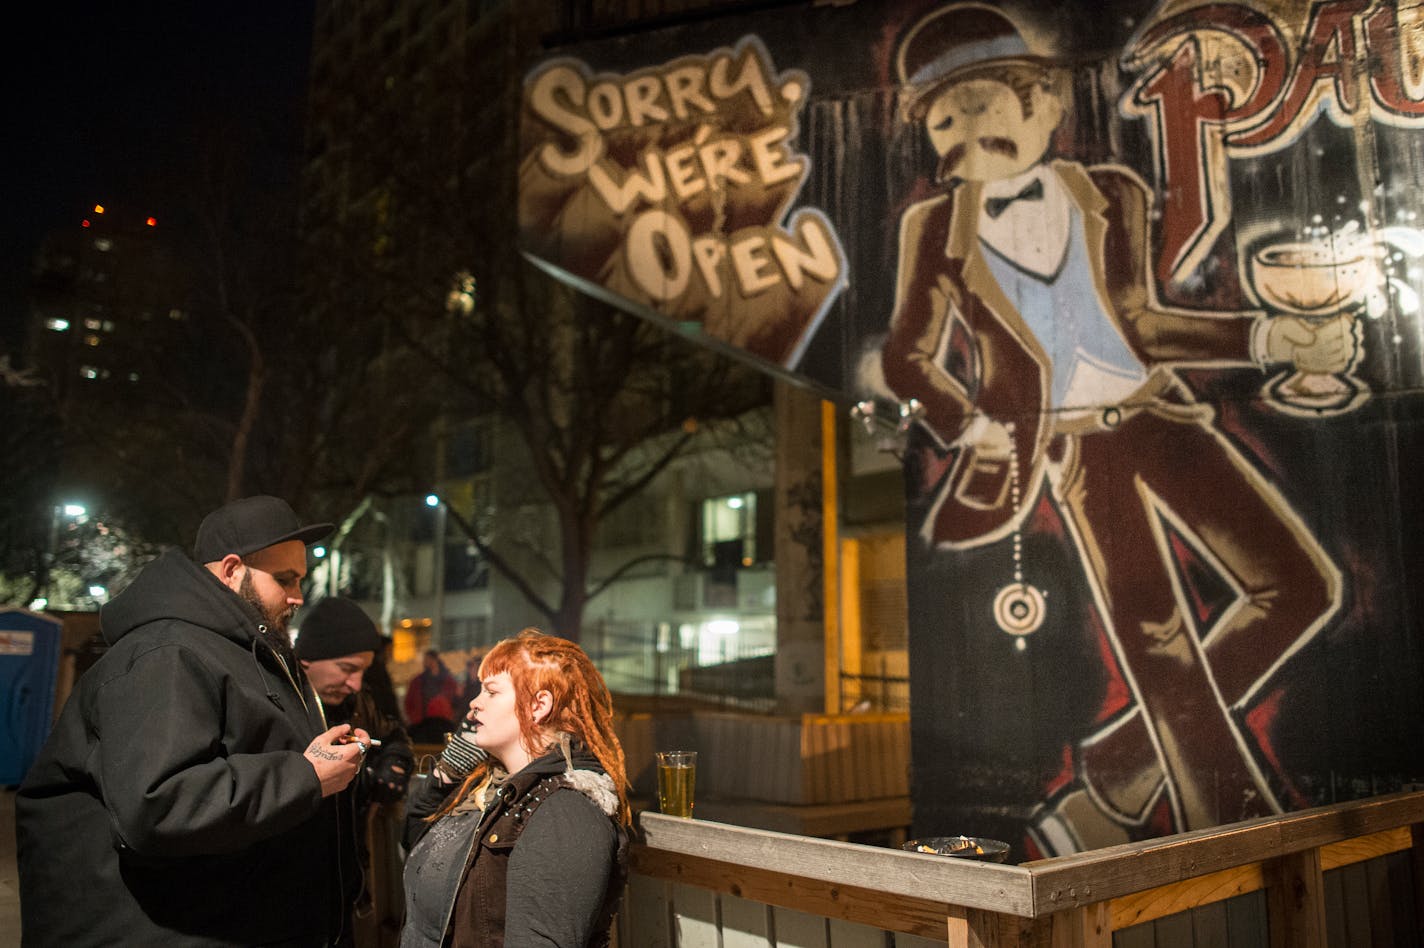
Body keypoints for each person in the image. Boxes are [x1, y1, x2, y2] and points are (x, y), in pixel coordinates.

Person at [883, 5, 1351, 852]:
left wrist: (1263, 336)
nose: (958, 134)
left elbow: (1140, 320)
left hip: (1160, 416)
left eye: (978, 106)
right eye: (942, 121)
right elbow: (908, 359)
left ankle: (1113, 781)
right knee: (1160, 646)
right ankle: (1240, 842)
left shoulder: (1112, 194)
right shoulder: (935, 230)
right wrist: (969, 426)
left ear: (1043, 103)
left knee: (1302, 586)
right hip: (1069, 448)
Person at [16, 494, 371, 947]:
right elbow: (158, 802)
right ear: (230, 570)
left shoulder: (246, 649)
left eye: (300, 579)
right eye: (284, 579)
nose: (298, 596)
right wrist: (305, 775)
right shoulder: (168, 653)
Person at [400, 629, 631, 948]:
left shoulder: (566, 812)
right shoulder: (490, 785)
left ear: (539, 705)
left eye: (491, 692)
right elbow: (416, 836)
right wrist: (449, 769)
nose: (473, 704)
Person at [295, 596, 416, 946]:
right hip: (294, 896)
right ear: (307, 660)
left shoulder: (356, 704)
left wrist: (391, 769)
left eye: (363, 671)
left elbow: (394, 736)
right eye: (348, 668)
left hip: (346, 884)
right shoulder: (278, 706)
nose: (356, 684)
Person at [403, 648, 459, 739]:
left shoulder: (448, 681)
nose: (425, 662)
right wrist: (413, 717)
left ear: (434, 660)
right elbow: (409, 702)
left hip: (443, 723)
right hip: (422, 724)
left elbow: (455, 701)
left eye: (427, 659)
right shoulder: (418, 681)